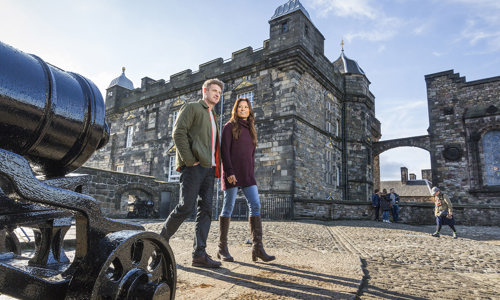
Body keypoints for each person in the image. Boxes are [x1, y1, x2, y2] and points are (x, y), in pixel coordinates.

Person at [160, 78, 224, 268]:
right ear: (205, 91)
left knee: (206, 211)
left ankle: (199, 254)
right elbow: (178, 132)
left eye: (219, 93)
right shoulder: (192, 108)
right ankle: (160, 243)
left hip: (209, 169)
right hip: (194, 167)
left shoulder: (213, 116)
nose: (217, 95)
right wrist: (189, 160)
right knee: (185, 206)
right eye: (214, 91)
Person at [217, 98, 275, 263]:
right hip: (232, 174)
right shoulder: (229, 127)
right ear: (236, 109)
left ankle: (257, 248)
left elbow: (251, 155)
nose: (243, 110)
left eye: (246, 107)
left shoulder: (251, 128)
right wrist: (229, 171)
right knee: (228, 208)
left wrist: (251, 172)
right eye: (240, 107)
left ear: (249, 110)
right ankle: (222, 248)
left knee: (255, 205)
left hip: (248, 175)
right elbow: (224, 151)